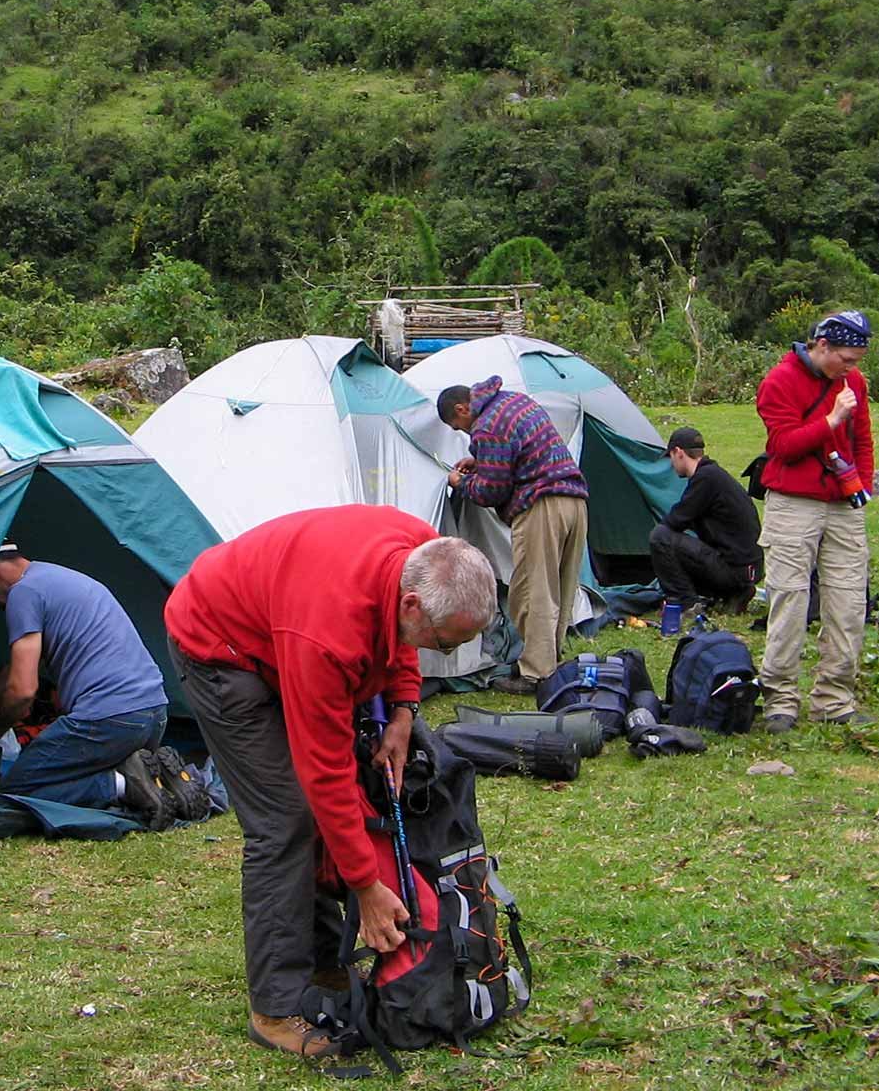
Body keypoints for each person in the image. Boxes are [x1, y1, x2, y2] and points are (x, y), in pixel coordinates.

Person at [164, 506, 495, 1058]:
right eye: (445, 642)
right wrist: (365, 887)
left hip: (282, 627)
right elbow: (325, 773)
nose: (448, 654)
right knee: (285, 820)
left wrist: (404, 709)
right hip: (220, 648)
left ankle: (320, 960)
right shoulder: (327, 633)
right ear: (411, 603)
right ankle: (275, 1008)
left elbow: (402, 640)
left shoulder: (421, 551)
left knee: (319, 810)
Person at [0, 543, 176, 827]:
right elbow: (13, 673)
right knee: (66, 771)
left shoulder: (23, 592)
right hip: (154, 714)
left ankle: (124, 784)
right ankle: (162, 779)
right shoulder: (60, 578)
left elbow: (23, 691)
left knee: (17, 792)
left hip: (109, 720)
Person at [755, 310, 875, 734]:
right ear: (822, 346)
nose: (852, 368)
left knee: (848, 601)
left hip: (844, 503)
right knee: (789, 599)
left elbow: (863, 439)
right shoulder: (779, 382)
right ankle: (780, 701)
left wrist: (864, 487)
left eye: (856, 361)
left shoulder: (853, 383)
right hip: (793, 502)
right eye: (846, 359)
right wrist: (831, 421)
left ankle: (834, 699)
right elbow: (783, 446)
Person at [437, 378, 589, 694]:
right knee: (560, 588)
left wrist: (460, 483)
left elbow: (494, 490)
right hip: (574, 501)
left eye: (458, 425)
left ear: (462, 408)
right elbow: (522, 449)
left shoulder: (486, 426)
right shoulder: (513, 401)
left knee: (529, 592)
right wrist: (481, 462)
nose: (464, 433)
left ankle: (535, 674)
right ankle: (550, 661)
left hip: (542, 506)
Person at [649, 426, 763, 615]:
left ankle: (686, 603)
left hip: (735, 570)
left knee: (660, 537)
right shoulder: (715, 475)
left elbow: (674, 522)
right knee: (680, 543)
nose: (671, 465)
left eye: (670, 458)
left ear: (678, 452)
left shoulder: (705, 479)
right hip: (748, 569)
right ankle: (734, 594)